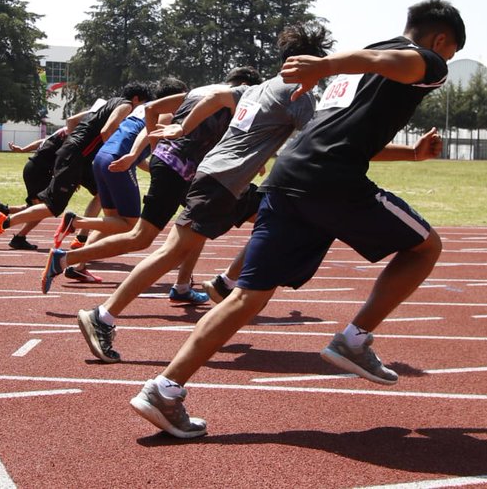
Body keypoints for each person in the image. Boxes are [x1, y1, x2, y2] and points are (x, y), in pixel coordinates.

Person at [129, 0, 465, 439]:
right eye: (451, 53)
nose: (444, 66)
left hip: (290, 176)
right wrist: (324, 65)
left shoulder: (361, 70)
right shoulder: (417, 61)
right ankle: (355, 339)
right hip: (330, 181)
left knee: (247, 296)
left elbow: (335, 136)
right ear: (441, 40)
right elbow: (396, 60)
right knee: (425, 247)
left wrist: (413, 153)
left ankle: (164, 389)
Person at [76, 22, 333, 363]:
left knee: (271, 218)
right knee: (170, 252)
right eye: (323, 66)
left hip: (220, 179)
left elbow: (214, 96)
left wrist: (184, 126)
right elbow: (318, 140)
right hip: (221, 183)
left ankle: (225, 283)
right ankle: (103, 316)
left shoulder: (260, 88)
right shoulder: (300, 95)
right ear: (309, 64)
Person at [42, 66, 262, 300]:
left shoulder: (200, 91)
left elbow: (152, 108)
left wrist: (158, 151)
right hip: (181, 170)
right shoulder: (237, 97)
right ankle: (66, 260)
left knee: (196, 226)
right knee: (141, 236)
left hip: (175, 167)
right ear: (246, 85)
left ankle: (182, 286)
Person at [0, 82, 156, 247]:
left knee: (100, 193)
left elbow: (73, 121)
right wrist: (100, 151)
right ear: (136, 99)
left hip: (80, 157)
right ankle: (4, 221)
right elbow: (106, 131)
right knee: (53, 207)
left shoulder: (106, 103)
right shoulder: (126, 106)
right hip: (77, 156)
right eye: (144, 104)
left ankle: (82, 237)